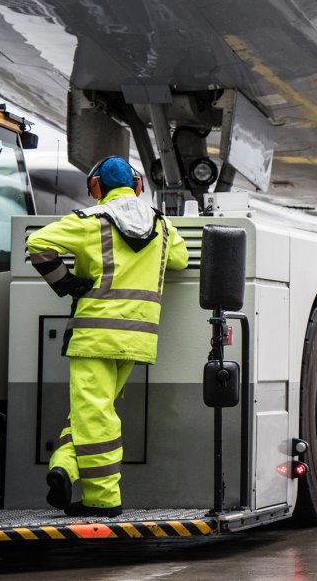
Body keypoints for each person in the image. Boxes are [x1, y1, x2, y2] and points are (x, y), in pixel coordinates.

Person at [27, 156, 188, 517]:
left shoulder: (90, 222)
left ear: (96, 187)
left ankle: (103, 499)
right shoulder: (162, 226)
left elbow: (37, 244)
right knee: (93, 412)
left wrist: (66, 283)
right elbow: (179, 260)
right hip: (137, 339)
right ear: (137, 187)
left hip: (94, 336)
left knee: (95, 413)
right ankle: (65, 466)